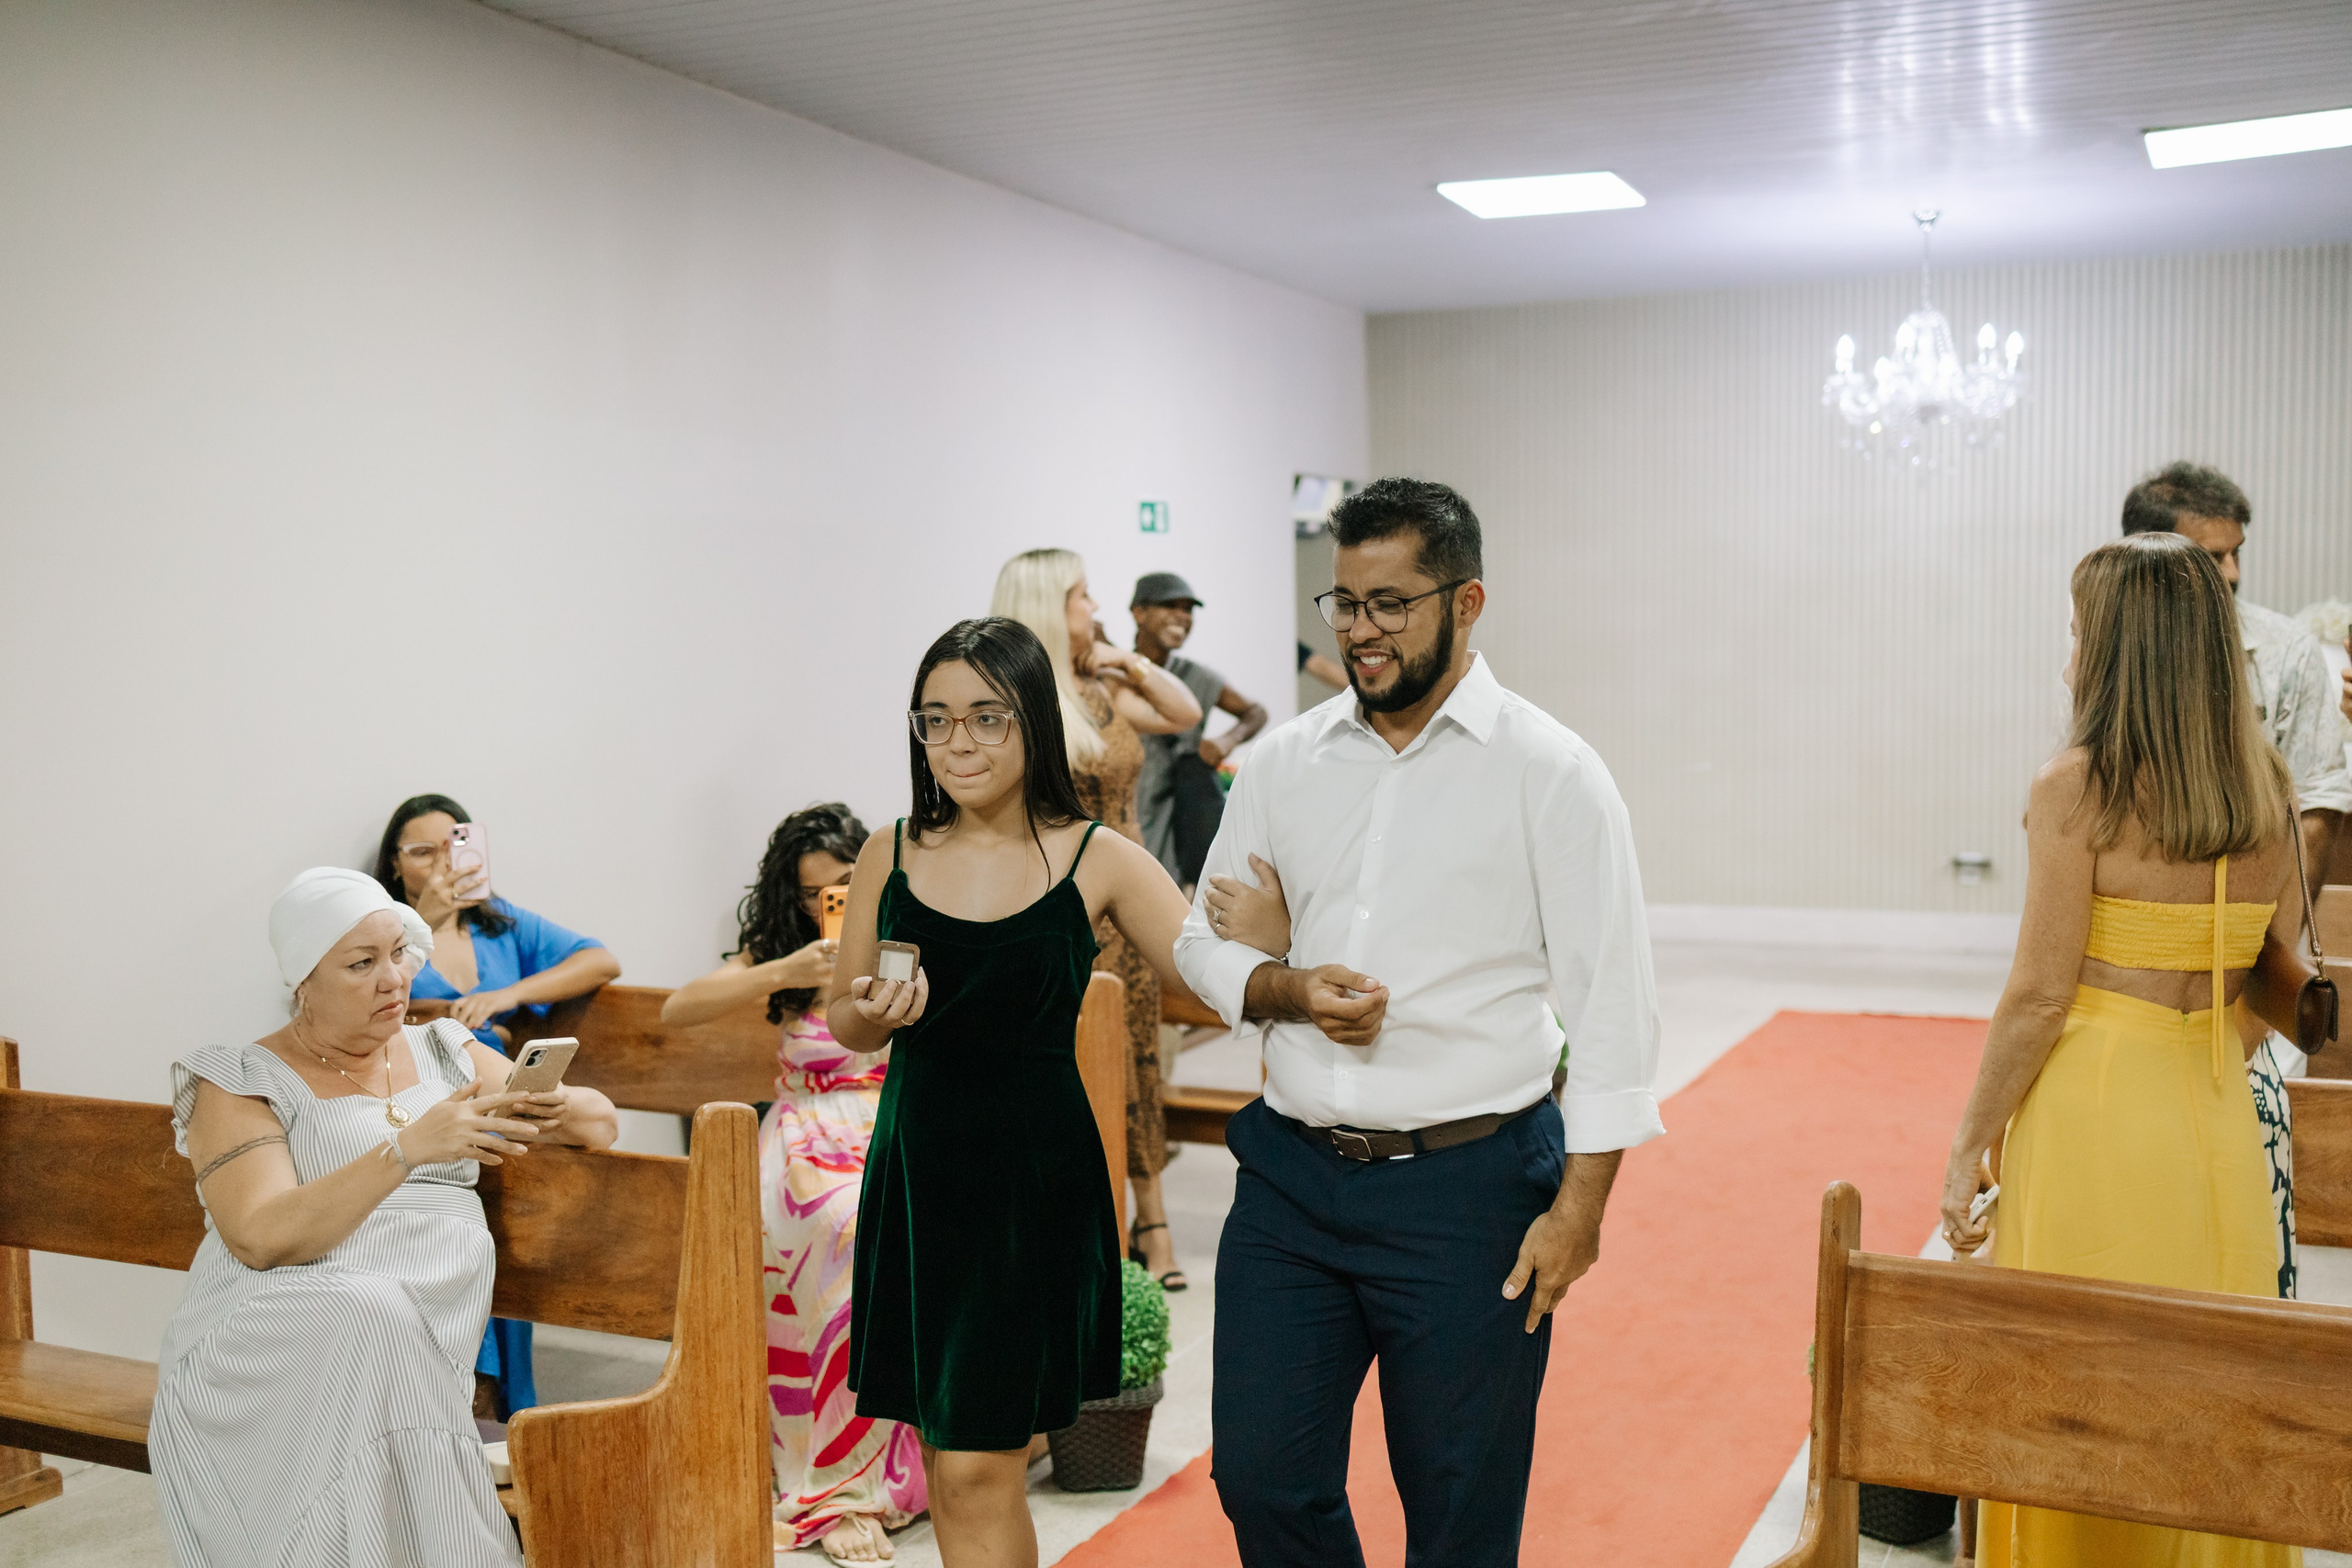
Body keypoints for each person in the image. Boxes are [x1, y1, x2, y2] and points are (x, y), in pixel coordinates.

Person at [1176, 478, 1663, 1568]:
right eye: (1344, 603)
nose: (1360, 630)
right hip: (1290, 1182)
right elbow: (1202, 942)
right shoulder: (1285, 762)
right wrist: (1288, 987)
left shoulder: (1552, 774)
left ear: (1466, 602)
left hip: (1469, 1192)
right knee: (1261, 1477)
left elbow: (1614, 1015)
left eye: (1391, 603)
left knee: (1457, 1514)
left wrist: (1579, 1212)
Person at [1940, 533, 2317, 1568]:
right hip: (2216, 1105)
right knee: (2207, 1382)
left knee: (2076, 1389)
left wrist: (1967, 1144)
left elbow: (2036, 996)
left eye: (2077, 633)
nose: (2065, 656)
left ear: (2119, 652)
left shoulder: (2076, 789)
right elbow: (2265, 980)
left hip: (2092, 1115)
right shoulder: (2269, 789)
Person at [831, 616, 1195, 1568]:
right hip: (918, 1183)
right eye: (936, 719)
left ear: (1033, 720)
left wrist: (1282, 938)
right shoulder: (888, 850)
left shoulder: (1094, 854)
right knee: (951, 1460)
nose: (958, 742)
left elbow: (1212, 974)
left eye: (987, 717)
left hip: (1028, 1190)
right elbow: (844, 1019)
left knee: (975, 1468)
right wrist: (872, 1010)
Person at [153, 866, 618, 1568]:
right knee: (371, 1312)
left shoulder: (444, 1049)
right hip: (273, 1338)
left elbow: (602, 1123)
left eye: (399, 953)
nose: (393, 978)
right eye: (361, 963)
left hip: (417, 1333)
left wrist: (554, 1108)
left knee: (381, 1321)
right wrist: (406, 1149)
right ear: (303, 980)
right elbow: (258, 1235)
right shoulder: (242, 1079)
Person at [663, 803, 925, 1563]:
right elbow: (679, 1008)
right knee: (833, 1236)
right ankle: (830, 1478)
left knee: (909, 1229)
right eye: (812, 892)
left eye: (841, 885)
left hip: (892, 1125)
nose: (826, 905)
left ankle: (904, 1461)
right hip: (804, 1135)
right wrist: (787, 969)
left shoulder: (902, 936)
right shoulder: (785, 951)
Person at [2121, 465, 2351, 1295]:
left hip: (2253, 949)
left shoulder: (2283, 650)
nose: (2232, 572)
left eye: (2237, 553)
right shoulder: (2114, 649)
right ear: (2149, 553)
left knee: (2247, 1168)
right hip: (2143, 966)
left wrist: (2270, 956)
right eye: (2211, 556)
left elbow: (2317, 806)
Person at [990, 549, 1203, 1290]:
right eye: (1082, 595)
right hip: (1065, 905)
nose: (1094, 605)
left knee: (1140, 1057)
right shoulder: (1018, 700)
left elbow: (1184, 712)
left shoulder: (1099, 686)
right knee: (1079, 1065)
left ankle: (1154, 1221)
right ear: (1050, 606)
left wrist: (1126, 660)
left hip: (1130, 905)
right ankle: (1090, 1226)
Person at [371, 792, 621, 1418]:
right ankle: (460, 1398)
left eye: (451, 848)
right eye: (420, 852)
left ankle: (498, 1402)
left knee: (522, 1182)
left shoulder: (500, 924)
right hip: (421, 1098)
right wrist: (419, 924)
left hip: (501, 1098)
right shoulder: (383, 928)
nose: (439, 864)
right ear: (395, 862)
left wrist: (508, 995)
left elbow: (600, 959)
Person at [1131, 571, 1268, 891]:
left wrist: (1225, 741)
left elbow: (1256, 712)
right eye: (1170, 606)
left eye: (1188, 609)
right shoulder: (1113, 673)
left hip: (1177, 825)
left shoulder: (1197, 678)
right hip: (1124, 814)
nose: (1182, 616)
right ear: (1140, 613)